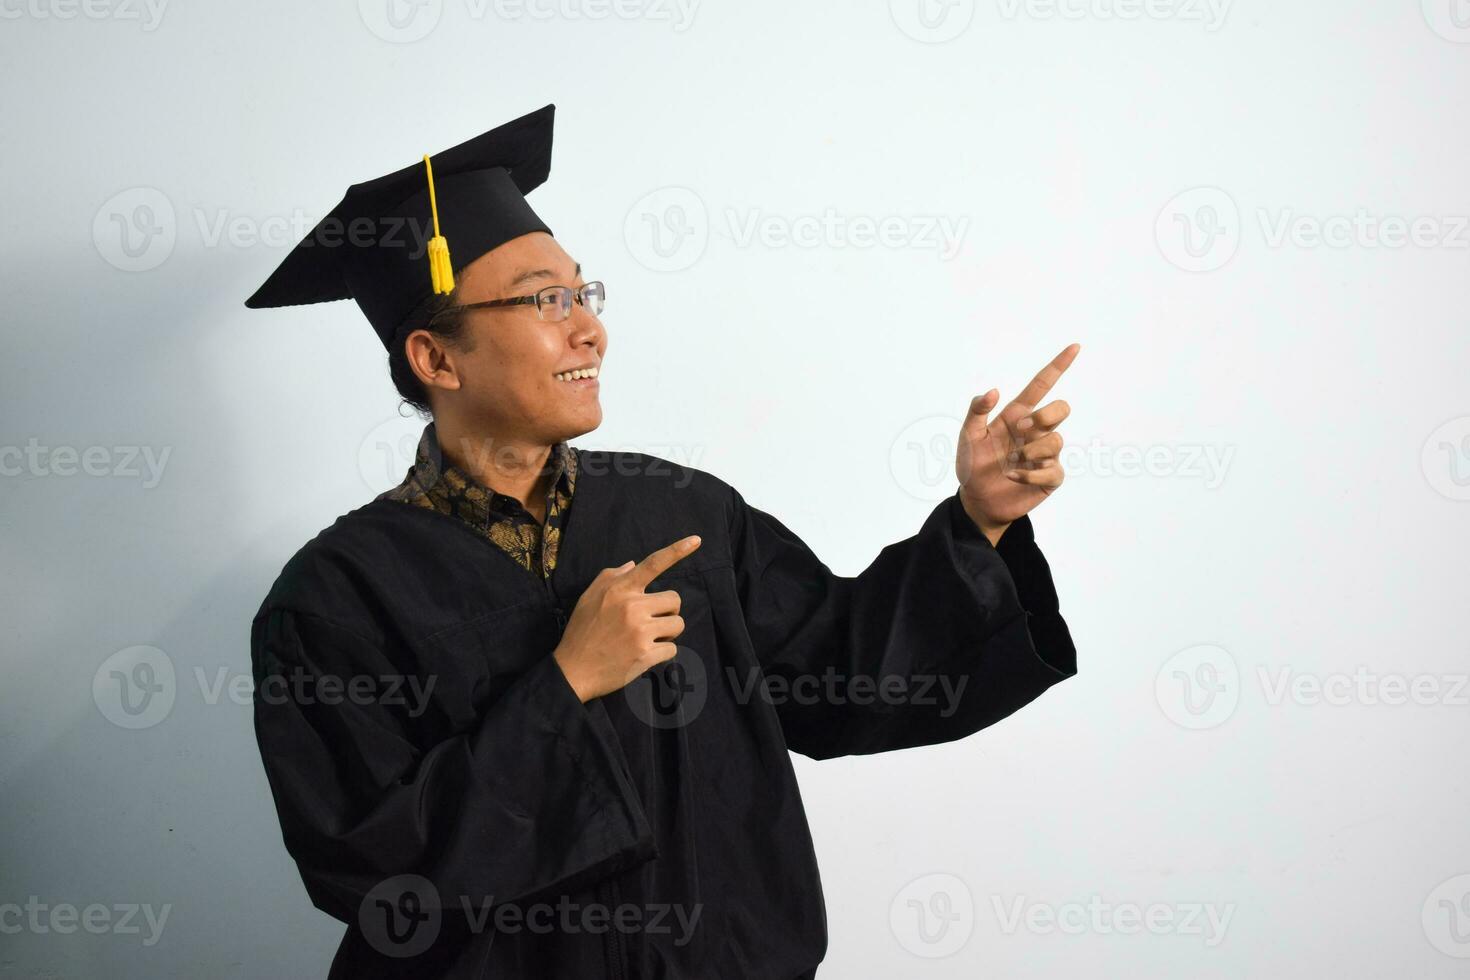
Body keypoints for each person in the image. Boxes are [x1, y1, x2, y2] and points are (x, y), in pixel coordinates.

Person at [245, 103, 1080, 979]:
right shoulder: (336, 598)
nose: (588, 328)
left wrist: (981, 519)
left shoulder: (679, 514)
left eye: (582, 292)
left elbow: (848, 671)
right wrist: (567, 684)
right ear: (438, 359)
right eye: (544, 299)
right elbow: (370, 871)